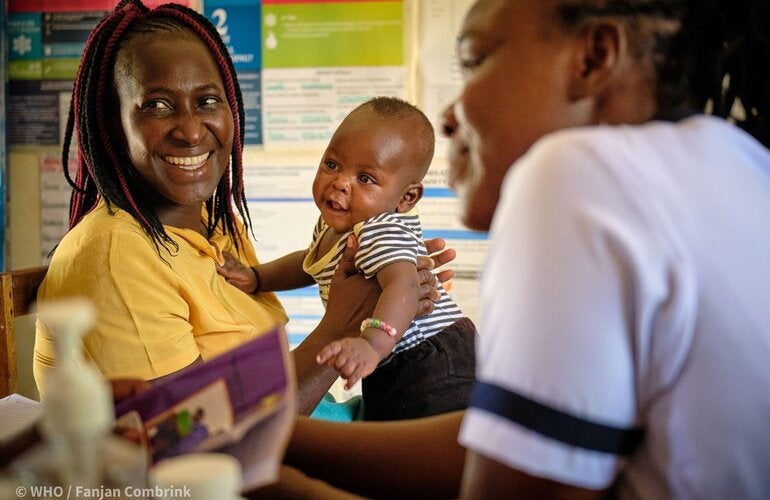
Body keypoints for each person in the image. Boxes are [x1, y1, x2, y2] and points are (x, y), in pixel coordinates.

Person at [258, 0, 770, 498]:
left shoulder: (577, 171)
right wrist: (268, 436)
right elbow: (511, 453)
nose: (450, 114)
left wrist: (257, 467)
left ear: (592, 58)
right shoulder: (739, 165)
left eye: (475, 60)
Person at [32, 0, 454, 417]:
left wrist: (402, 289)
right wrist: (345, 323)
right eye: (157, 105)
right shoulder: (115, 255)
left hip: (319, 420)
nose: (192, 130)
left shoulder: (215, 225)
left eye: (208, 101)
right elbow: (193, 439)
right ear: (113, 123)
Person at [217, 96, 476, 420]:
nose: (339, 183)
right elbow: (308, 263)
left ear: (406, 198)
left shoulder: (378, 229)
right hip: (391, 353)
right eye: (332, 164)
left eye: (365, 178)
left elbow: (406, 288)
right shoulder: (333, 225)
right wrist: (258, 277)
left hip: (431, 359)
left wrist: (371, 344)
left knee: (411, 450)